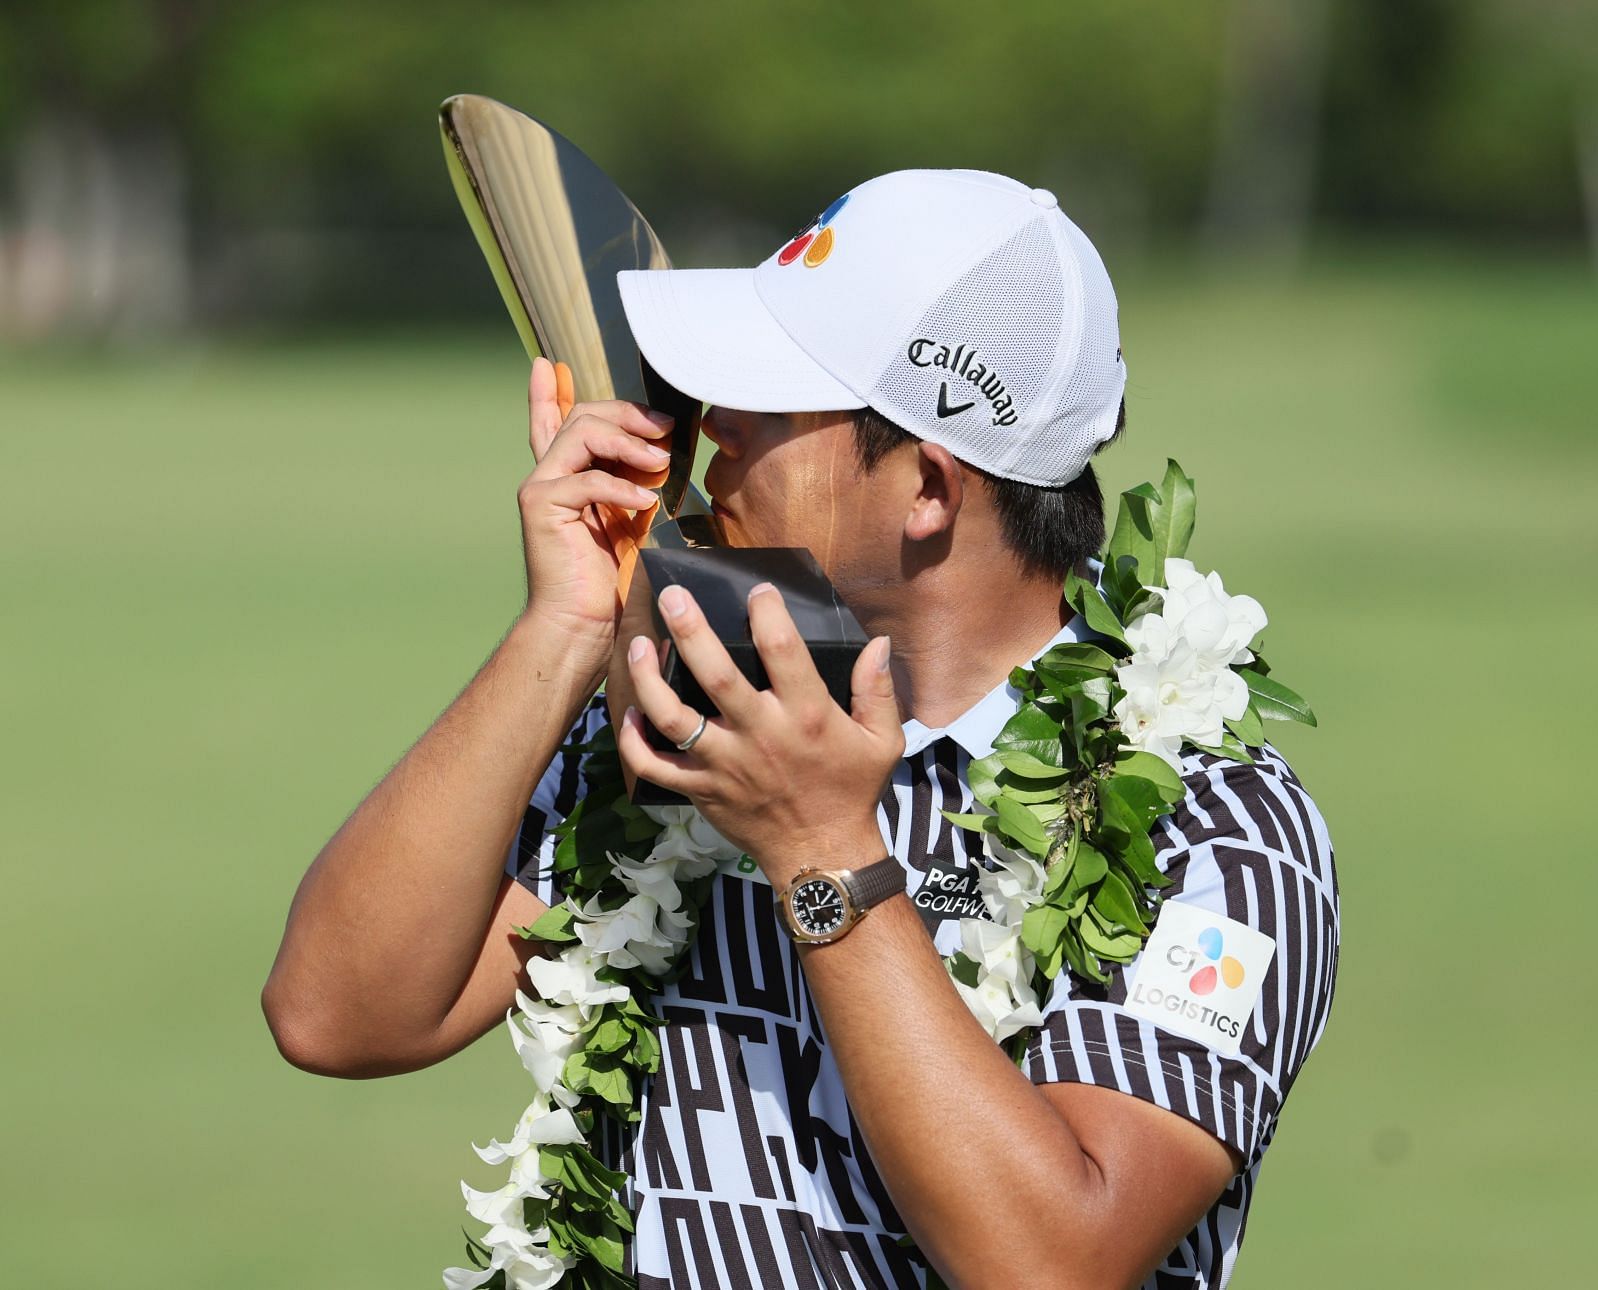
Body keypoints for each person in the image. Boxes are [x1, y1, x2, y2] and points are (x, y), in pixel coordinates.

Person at [263, 168, 1340, 1289]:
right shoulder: (691, 715)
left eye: (766, 394)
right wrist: (569, 624)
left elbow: (1057, 1264)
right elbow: (337, 1016)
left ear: (928, 486)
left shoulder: (1214, 824)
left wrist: (820, 848)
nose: (708, 426)